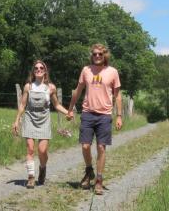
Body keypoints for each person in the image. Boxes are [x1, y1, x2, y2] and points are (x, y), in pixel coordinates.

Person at [66, 43, 123, 195]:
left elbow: (117, 95)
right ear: (91, 56)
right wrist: (70, 109)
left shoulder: (112, 72)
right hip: (87, 113)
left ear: (105, 56)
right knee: (85, 146)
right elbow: (78, 91)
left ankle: (98, 179)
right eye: (94, 54)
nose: (97, 56)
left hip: (104, 115)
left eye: (100, 54)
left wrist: (119, 115)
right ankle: (89, 170)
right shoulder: (86, 70)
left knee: (101, 147)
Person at [12, 60, 69, 189]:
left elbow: (57, 105)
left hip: (44, 120)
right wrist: (16, 120)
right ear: (33, 71)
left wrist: (68, 113)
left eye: (41, 68)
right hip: (30, 119)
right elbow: (22, 105)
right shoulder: (28, 87)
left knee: (42, 150)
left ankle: (42, 168)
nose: (38, 69)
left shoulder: (51, 88)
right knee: (30, 149)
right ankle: (31, 177)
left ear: (45, 70)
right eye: (36, 68)